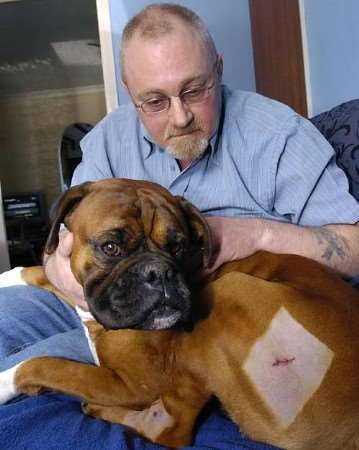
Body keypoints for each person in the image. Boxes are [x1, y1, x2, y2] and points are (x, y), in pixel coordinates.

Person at [1, 3, 359, 449]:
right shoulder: (108, 141)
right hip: (104, 312)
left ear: (219, 69)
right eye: (153, 101)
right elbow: (64, 248)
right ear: (130, 92)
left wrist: (258, 235)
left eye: (195, 91)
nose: (180, 116)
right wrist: (60, 273)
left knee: (223, 294)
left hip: (245, 338)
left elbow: (353, 247)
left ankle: (167, 415)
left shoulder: (278, 135)